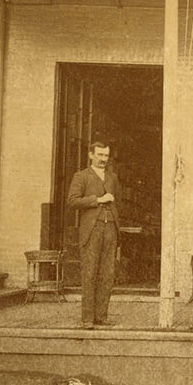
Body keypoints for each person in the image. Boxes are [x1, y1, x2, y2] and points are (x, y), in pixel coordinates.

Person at [66, 141, 120, 329]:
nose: (103, 159)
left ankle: (101, 317)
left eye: (106, 155)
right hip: (92, 229)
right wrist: (98, 200)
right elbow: (72, 201)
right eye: (99, 155)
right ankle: (87, 319)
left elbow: (117, 202)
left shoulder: (112, 178)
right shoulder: (81, 176)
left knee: (107, 273)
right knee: (89, 273)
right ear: (91, 155)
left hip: (111, 228)